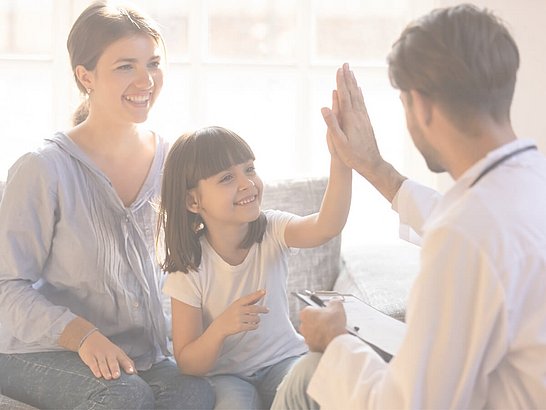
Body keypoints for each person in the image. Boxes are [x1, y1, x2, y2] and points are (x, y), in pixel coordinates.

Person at [272, 4, 546, 409]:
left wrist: (335, 341)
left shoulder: (467, 232)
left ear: (420, 104)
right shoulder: (527, 181)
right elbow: (465, 225)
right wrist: (374, 167)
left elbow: (408, 405)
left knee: (308, 375)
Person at [0, 2, 214, 409]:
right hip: (34, 350)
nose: (145, 80)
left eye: (153, 63)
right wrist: (81, 335)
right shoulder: (43, 168)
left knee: (194, 393)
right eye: (125, 66)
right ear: (85, 76)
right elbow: (6, 287)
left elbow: (213, 246)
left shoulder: (174, 161)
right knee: (122, 395)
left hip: (141, 352)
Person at [157, 125, 352, 409]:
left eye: (249, 169)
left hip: (284, 360)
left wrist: (341, 161)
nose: (247, 183)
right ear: (193, 201)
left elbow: (326, 226)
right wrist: (221, 327)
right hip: (227, 377)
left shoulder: (272, 229)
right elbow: (188, 363)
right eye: (226, 178)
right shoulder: (188, 267)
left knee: (314, 383)